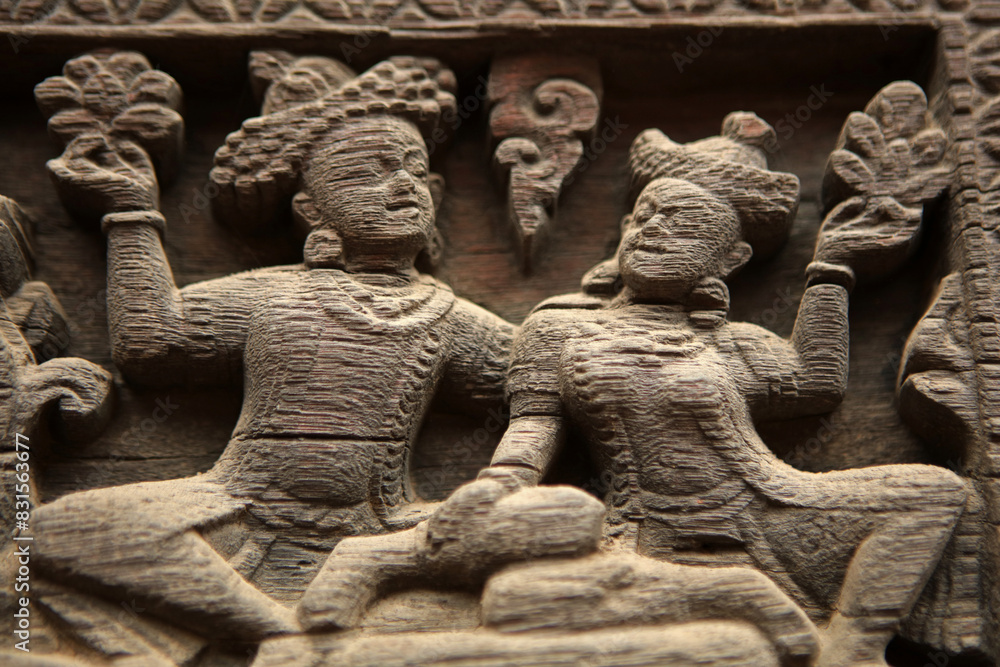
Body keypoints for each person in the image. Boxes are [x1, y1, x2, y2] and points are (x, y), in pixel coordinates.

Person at [32, 57, 516, 646]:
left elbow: (535, 378)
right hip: (237, 506)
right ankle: (281, 634)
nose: (403, 186)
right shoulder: (275, 294)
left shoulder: (448, 317)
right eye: (369, 174)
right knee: (61, 531)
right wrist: (131, 211)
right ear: (312, 210)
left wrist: (614, 314)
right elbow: (151, 341)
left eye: (415, 172)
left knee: (548, 530)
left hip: (379, 523)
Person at [476, 113, 967, 667]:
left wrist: (832, 268)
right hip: (642, 528)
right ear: (621, 232)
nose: (653, 231)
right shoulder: (559, 327)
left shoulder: (731, 342)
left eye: (683, 225)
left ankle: (852, 648)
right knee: (518, 597)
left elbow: (816, 380)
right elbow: (533, 430)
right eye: (644, 218)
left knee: (934, 494)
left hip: (769, 505)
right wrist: (496, 488)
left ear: (730, 259)